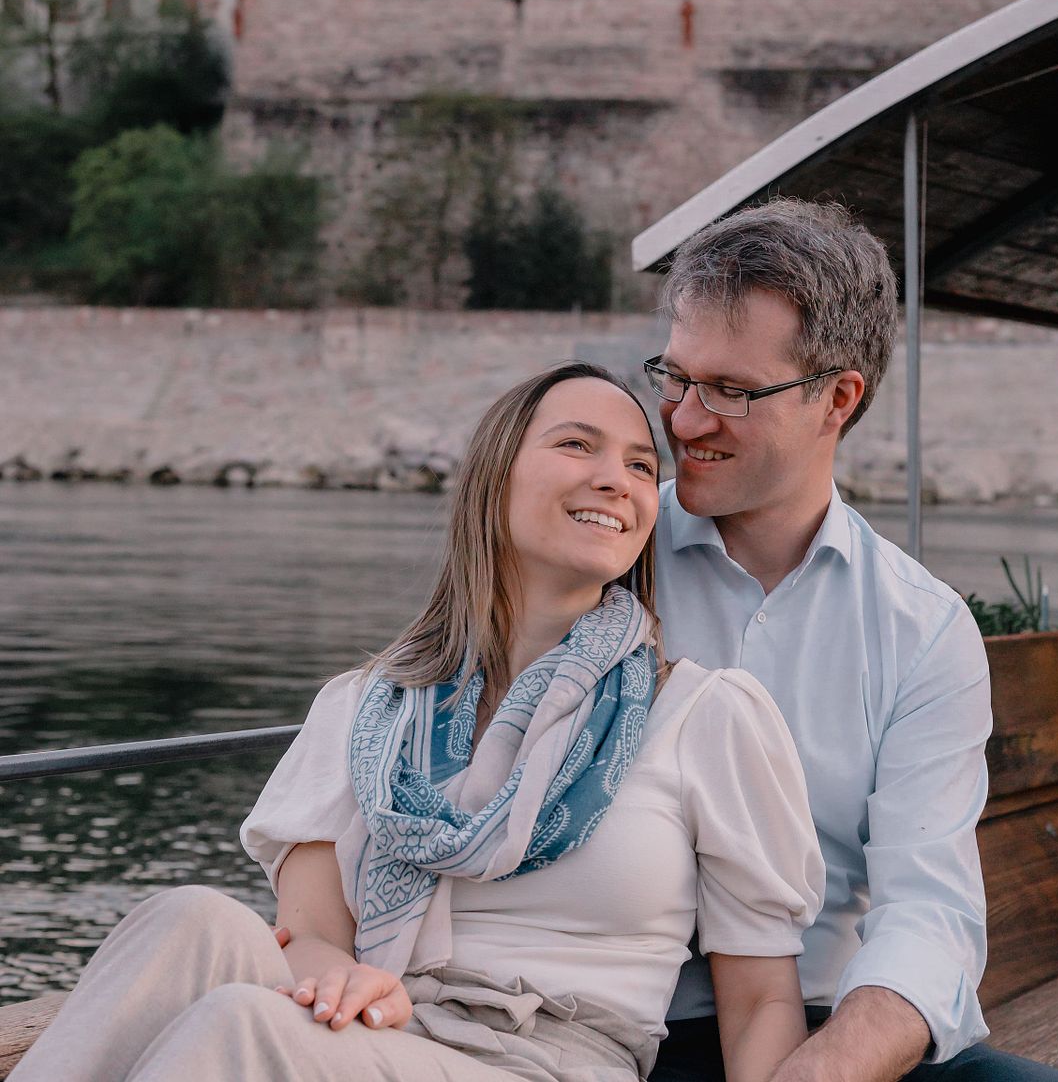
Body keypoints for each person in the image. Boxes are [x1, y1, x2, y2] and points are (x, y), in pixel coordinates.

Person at [14, 362, 824, 1082]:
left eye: (643, 465)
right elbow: (311, 938)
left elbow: (757, 1006)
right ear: (493, 477)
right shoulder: (365, 710)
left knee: (244, 1025)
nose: (618, 479)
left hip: (544, 1060)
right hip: (376, 1027)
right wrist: (345, 972)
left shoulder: (703, 714)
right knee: (187, 918)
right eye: (578, 446)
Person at [644, 200, 1058, 1082]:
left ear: (837, 399)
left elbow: (929, 913)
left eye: (731, 391)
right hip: (618, 1030)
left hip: (833, 1035)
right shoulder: (606, 562)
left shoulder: (922, 630)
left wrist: (822, 1072)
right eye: (674, 375)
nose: (684, 420)